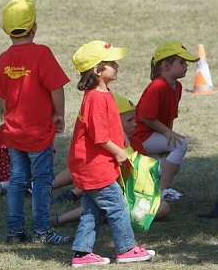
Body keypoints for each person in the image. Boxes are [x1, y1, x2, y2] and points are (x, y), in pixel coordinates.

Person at [67, 41, 155, 267]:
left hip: (94, 164)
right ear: (97, 71)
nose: (116, 65)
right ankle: (126, 249)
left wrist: (122, 138)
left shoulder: (103, 93)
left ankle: (82, 253)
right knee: (117, 205)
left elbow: (107, 125)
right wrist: (118, 151)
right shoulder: (95, 98)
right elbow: (98, 135)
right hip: (95, 166)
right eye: (110, 63)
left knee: (93, 210)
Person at [0, 0, 69, 244]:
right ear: (34, 27)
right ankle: (41, 232)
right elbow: (56, 87)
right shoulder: (41, 54)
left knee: (16, 181)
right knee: (42, 181)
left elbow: (2, 98)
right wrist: (59, 113)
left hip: (14, 133)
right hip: (38, 134)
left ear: (6, 29)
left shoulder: (4, 58)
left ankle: (15, 232)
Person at [53, 93, 170, 228]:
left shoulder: (136, 144)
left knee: (163, 208)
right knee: (103, 199)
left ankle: (108, 216)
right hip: (105, 189)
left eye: (134, 119)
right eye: (129, 120)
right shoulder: (103, 146)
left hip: (127, 194)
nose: (135, 124)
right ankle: (59, 215)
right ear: (113, 121)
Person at [133, 41, 199, 201]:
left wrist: (167, 136)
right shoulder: (157, 86)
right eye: (181, 62)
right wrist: (167, 133)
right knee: (180, 145)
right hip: (140, 136)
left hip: (152, 134)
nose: (186, 66)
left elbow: (168, 117)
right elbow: (144, 116)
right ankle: (162, 191)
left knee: (172, 164)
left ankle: (152, 188)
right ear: (165, 65)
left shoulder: (177, 87)